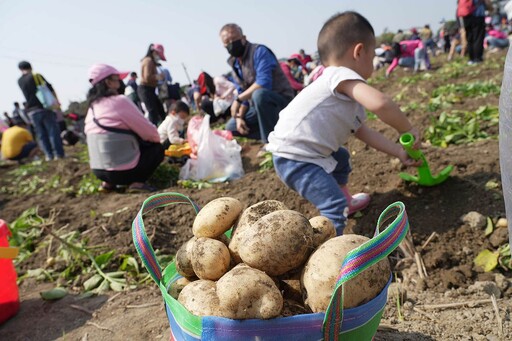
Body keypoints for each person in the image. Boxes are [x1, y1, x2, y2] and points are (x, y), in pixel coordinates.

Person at [266, 11, 421, 235]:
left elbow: (364, 132)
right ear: (359, 52)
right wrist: (407, 129)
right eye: (372, 54)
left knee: (341, 158)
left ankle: (346, 200)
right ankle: (329, 253)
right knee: (333, 207)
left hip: (303, 153)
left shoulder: (338, 87)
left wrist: (398, 151)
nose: (374, 62)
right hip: (295, 159)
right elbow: (380, 103)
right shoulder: (339, 76)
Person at [85, 63, 164, 193]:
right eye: (117, 79)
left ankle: (108, 184)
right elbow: (151, 133)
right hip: (125, 172)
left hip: (98, 170)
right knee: (157, 149)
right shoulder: (119, 101)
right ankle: (137, 183)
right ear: (108, 82)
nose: (120, 82)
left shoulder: (92, 107)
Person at [219, 23, 294, 143]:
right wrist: (239, 117)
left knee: (259, 94)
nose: (231, 44)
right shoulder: (234, 63)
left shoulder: (259, 51)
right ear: (223, 45)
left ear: (243, 38)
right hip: (257, 106)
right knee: (231, 127)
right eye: (227, 42)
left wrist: (238, 100)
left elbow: (263, 83)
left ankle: (270, 142)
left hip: (279, 100)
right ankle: (277, 132)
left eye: (234, 39)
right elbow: (243, 93)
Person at [17, 61, 65, 161]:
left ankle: (48, 155)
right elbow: (49, 88)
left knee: (41, 134)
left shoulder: (20, 80)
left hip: (31, 110)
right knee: (52, 131)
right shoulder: (36, 76)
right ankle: (58, 154)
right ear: (31, 67)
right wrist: (56, 102)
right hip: (43, 107)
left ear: (20, 69)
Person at [138, 44, 167, 125]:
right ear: (154, 52)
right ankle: (152, 132)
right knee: (152, 112)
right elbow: (147, 77)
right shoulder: (148, 61)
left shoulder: (149, 61)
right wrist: (158, 77)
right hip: (146, 89)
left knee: (160, 111)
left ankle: (162, 130)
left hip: (150, 89)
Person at [459, 0, 493, 64]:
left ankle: (471, 59)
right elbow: (488, 4)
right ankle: (478, 58)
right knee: (478, 37)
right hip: (477, 16)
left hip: (466, 17)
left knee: (470, 38)